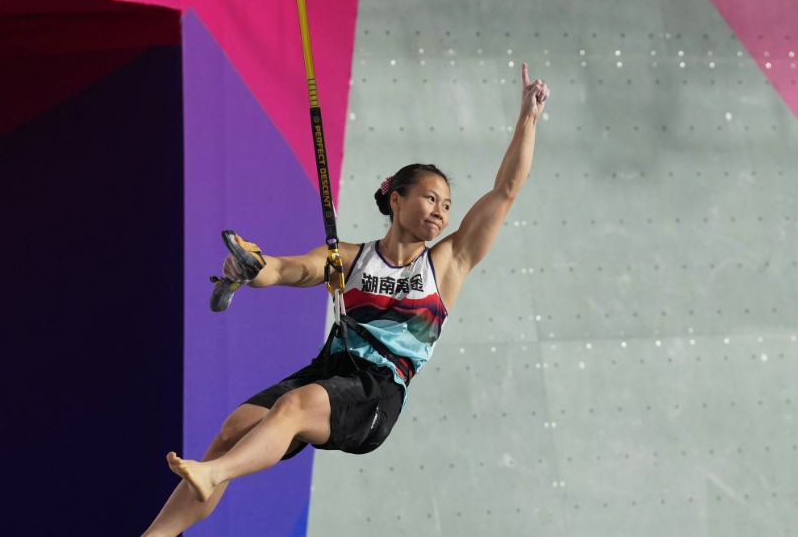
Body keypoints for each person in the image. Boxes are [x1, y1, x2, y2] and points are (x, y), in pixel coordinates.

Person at [141, 64, 549, 537]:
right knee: (233, 430)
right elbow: (287, 269)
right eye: (430, 198)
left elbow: (505, 191)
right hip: (328, 372)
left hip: (378, 390)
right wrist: (251, 267)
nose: (440, 212)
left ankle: (213, 474)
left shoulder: (447, 263)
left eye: (446, 205)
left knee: (291, 408)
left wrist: (528, 118)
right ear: (396, 200)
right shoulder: (350, 258)